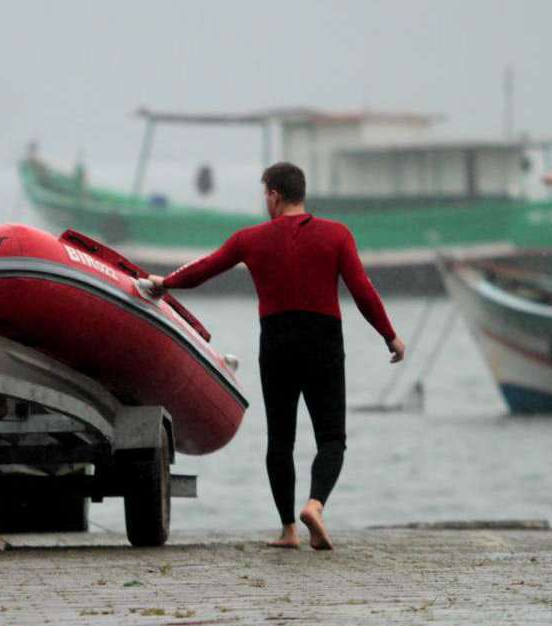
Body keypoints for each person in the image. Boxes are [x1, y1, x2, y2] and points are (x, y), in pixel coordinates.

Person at [148, 162, 405, 551]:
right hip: (323, 343)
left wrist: (163, 284)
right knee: (331, 437)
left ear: (274, 194)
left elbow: (204, 269)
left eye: (264, 193)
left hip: (277, 342)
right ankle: (315, 505)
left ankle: (288, 530)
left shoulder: (250, 239)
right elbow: (362, 290)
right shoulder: (337, 235)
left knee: (280, 440)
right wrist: (390, 336)